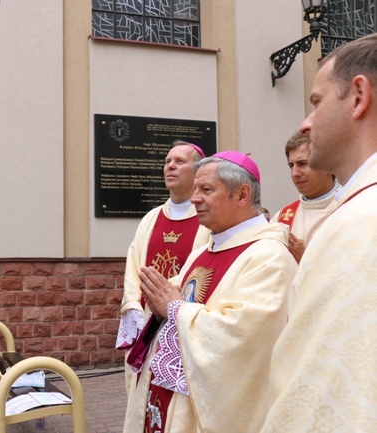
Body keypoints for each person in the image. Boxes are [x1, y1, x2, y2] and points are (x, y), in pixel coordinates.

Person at [123, 151, 297, 433]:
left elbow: (245, 337)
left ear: (242, 195)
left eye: (206, 190)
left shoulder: (269, 257)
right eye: (195, 190)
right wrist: (158, 307)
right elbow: (171, 303)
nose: (194, 199)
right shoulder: (203, 252)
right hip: (170, 402)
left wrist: (175, 309)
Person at [261, 34, 377, 432]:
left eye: (316, 102)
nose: (306, 123)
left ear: (359, 96)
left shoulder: (359, 225)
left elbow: (319, 397)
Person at [116, 141, 210, 394]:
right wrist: (133, 306)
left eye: (180, 161)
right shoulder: (151, 217)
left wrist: (168, 299)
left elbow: (204, 267)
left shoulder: (208, 218)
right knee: (143, 393)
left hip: (182, 316)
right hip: (147, 319)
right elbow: (133, 263)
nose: (170, 166)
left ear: (197, 171)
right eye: (167, 161)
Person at [270, 131, 338, 262]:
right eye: (291, 165)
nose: (295, 173)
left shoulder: (348, 209)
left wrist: (306, 260)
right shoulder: (281, 218)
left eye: (302, 164)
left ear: (328, 166)